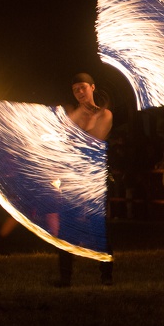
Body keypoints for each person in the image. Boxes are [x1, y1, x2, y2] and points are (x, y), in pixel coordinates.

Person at [56, 72, 114, 287]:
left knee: (98, 227)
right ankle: (65, 277)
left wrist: (76, 119)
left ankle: (106, 276)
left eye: (82, 87)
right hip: (72, 178)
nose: (79, 92)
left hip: (93, 180)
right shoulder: (71, 117)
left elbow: (93, 141)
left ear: (92, 87)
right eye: (75, 90)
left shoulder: (105, 114)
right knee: (65, 228)